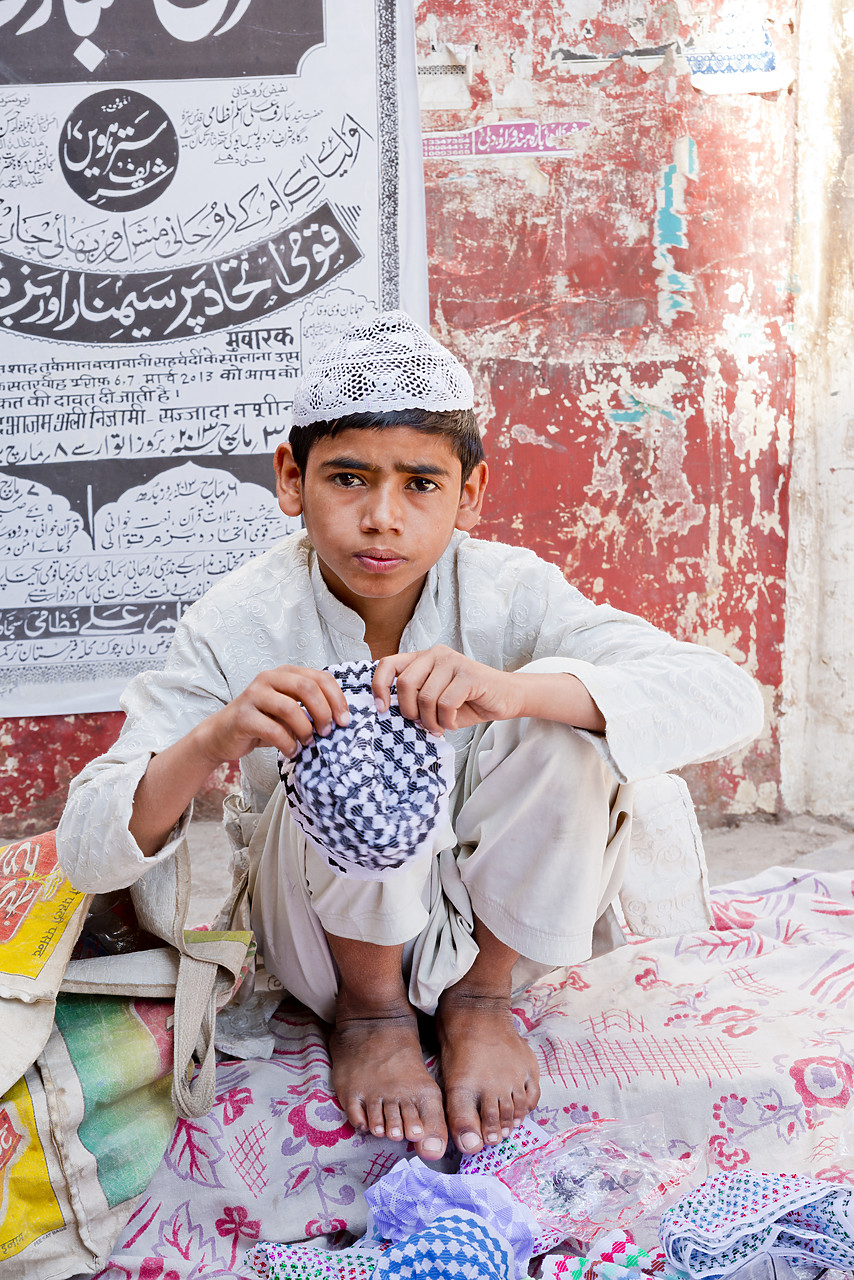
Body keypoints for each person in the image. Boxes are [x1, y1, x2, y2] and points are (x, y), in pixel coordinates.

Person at [57, 310, 764, 1165]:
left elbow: (727, 699)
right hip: (324, 951)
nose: (382, 518)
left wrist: (514, 691)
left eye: (421, 485)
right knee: (347, 738)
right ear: (291, 479)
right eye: (348, 479)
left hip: (494, 928)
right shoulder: (239, 619)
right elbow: (89, 850)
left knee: (570, 730)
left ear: (470, 494)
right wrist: (215, 738)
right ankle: (375, 1014)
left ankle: (479, 1002)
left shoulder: (514, 593)